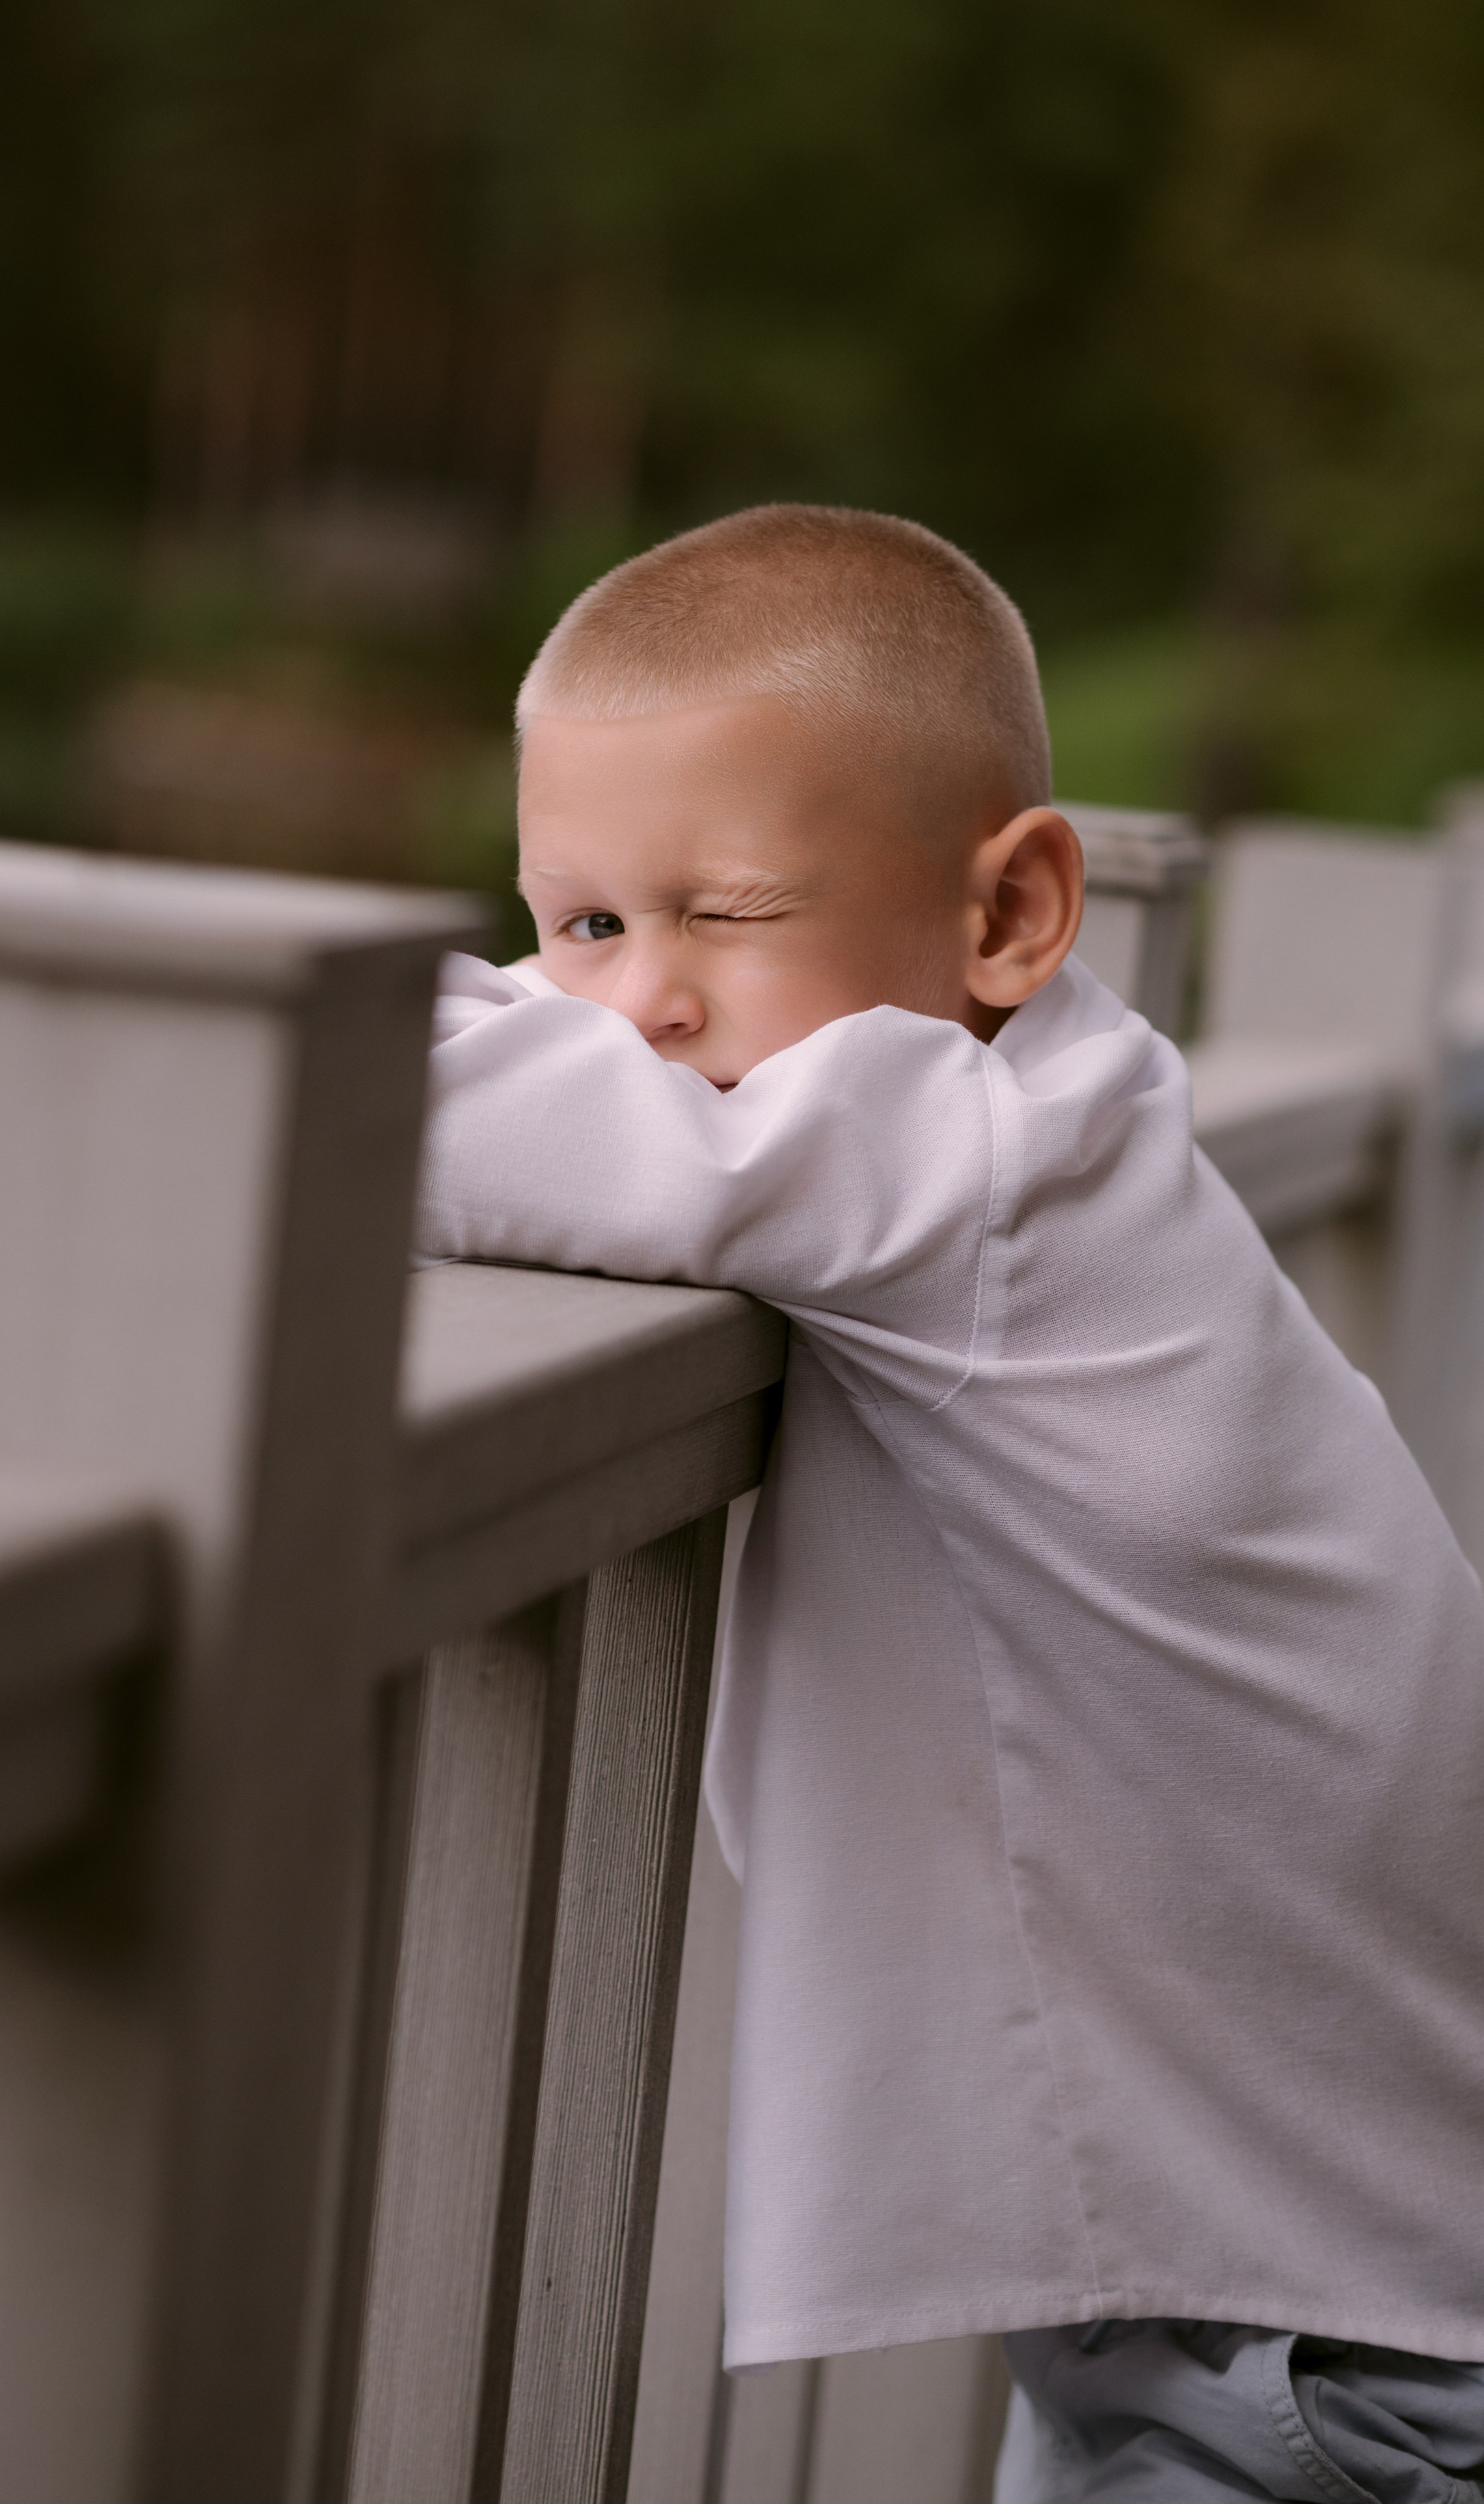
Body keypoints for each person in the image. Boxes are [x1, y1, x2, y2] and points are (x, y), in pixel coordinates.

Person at [417, 504, 1484, 2501]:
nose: (638, 1009)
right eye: (582, 924)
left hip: (1334, 2361)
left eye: (727, 915)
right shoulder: (1057, 1126)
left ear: (1010, 916)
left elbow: (418, 1117)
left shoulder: (972, 1163)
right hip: (1300, 2282)